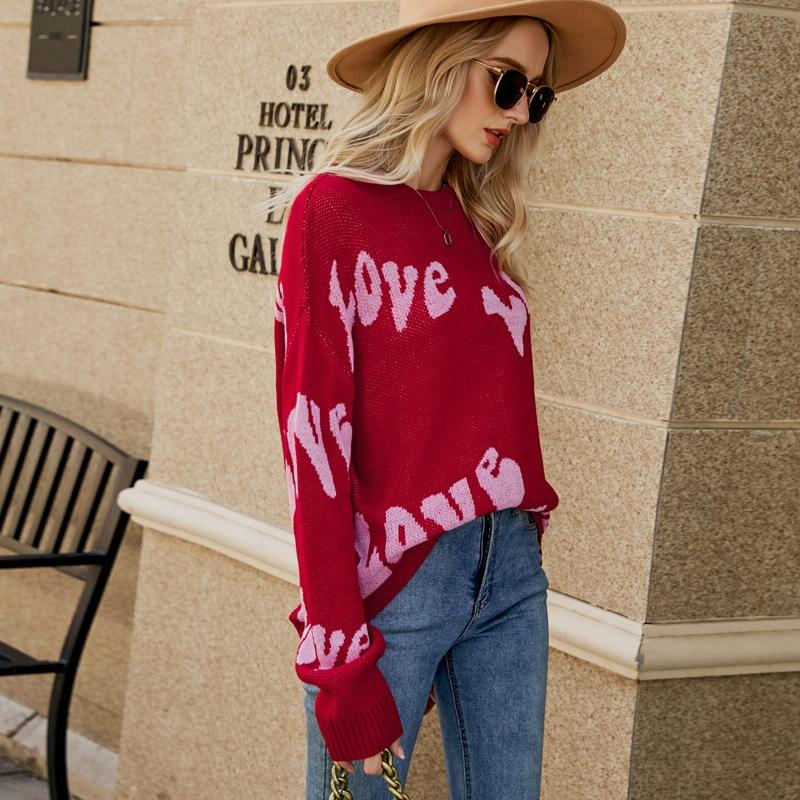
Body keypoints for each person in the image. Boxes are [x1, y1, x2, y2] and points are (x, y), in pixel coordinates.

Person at [260, 1, 626, 796]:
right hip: (401, 583)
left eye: (537, 95)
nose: (520, 113)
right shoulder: (331, 211)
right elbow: (313, 447)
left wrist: (517, 547)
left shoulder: (476, 217)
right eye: (507, 83)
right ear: (440, 63)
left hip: (511, 572)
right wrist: (337, 650)